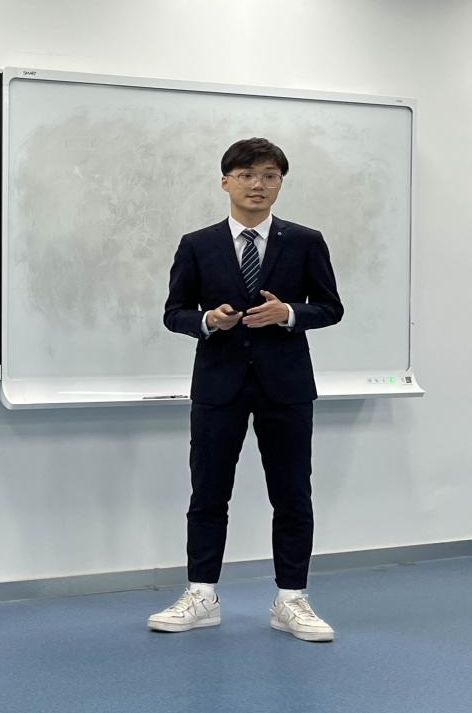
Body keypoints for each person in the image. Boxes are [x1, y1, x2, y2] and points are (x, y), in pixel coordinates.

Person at [150, 138, 344, 642]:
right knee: (208, 495)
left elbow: (331, 307)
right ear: (225, 182)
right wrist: (207, 321)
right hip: (219, 387)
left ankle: (291, 599)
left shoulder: (305, 241)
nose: (258, 184)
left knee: (293, 496)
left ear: (280, 183)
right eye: (246, 175)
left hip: (286, 387)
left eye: (269, 175)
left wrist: (290, 313)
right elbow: (174, 313)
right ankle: (202, 595)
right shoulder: (197, 244)